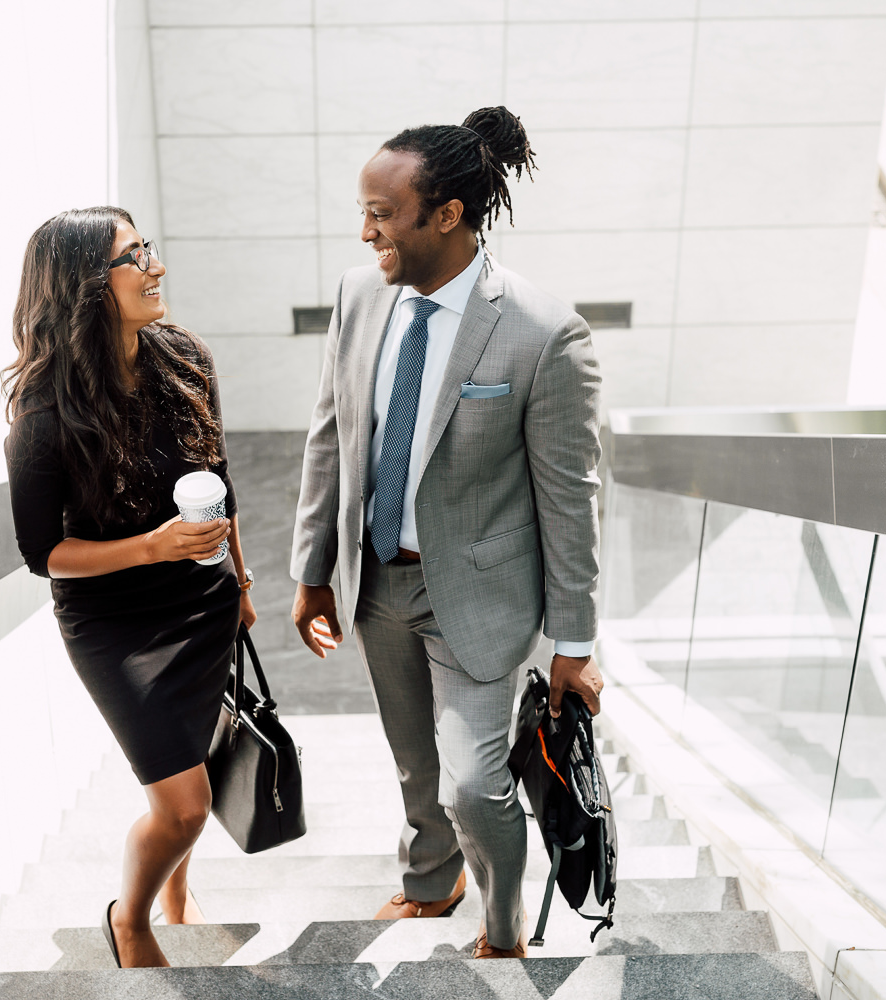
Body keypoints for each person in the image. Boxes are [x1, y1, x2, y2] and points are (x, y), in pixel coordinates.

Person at [289, 107, 605, 959]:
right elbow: (334, 435)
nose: (365, 234)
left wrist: (575, 642)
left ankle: (502, 930)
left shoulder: (543, 333)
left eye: (381, 215)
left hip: (478, 596)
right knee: (410, 763)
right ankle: (432, 879)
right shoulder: (361, 297)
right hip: (375, 584)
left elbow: (571, 497)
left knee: (475, 782)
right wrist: (313, 571)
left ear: (447, 215)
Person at [3, 207, 257, 969]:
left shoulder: (185, 357)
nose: (156, 267)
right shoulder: (43, 419)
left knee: (192, 762)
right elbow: (43, 553)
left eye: (148, 248)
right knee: (184, 807)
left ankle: (178, 897)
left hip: (204, 602)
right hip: (115, 625)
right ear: (85, 287)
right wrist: (152, 546)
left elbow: (220, 482)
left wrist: (239, 580)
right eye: (133, 256)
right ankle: (131, 917)